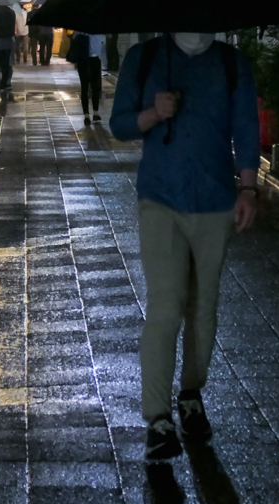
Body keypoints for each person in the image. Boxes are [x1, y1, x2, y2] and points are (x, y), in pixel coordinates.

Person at [109, 33, 260, 462]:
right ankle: (157, 418)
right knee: (165, 306)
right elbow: (119, 125)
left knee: (203, 307)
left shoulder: (232, 64)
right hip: (161, 200)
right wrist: (153, 114)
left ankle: (191, 394)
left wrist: (248, 189)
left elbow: (246, 125)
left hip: (215, 202)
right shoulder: (145, 58)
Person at [68, 31, 105, 125]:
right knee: (90, 86)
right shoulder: (92, 31)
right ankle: (90, 114)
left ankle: (91, 114)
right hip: (89, 59)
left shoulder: (83, 30)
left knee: (90, 86)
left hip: (89, 60)